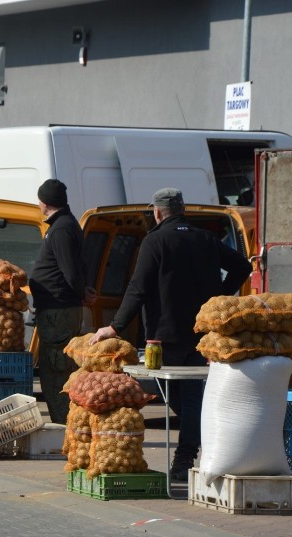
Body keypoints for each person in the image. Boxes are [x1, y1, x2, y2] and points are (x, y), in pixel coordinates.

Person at [88, 187, 252, 481]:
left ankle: (184, 457)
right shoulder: (205, 238)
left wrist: (114, 327)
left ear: (158, 212)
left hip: (164, 335)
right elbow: (242, 266)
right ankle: (190, 448)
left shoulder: (155, 240)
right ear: (181, 209)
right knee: (185, 395)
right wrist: (218, 298)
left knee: (180, 394)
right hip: (203, 334)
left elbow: (137, 288)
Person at [28, 179, 85, 425]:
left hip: (58, 310)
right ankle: (64, 422)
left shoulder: (61, 228)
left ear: (44, 202)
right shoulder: (62, 225)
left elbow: (70, 271)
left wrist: (80, 292)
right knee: (56, 366)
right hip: (56, 308)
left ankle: (64, 425)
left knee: (57, 368)